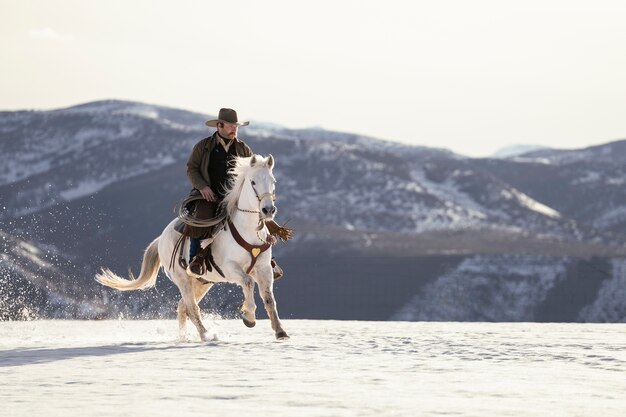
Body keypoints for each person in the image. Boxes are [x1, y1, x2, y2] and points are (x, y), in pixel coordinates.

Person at [184, 108, 290, 279]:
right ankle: (196, 259)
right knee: (202, 218)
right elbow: (192, 168)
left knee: (255, 219)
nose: (234, 129)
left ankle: (266, 261)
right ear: (219, 125)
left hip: (235, 197)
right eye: (230, 126)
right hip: (208, 195)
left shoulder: (243, 148)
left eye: (236, 126)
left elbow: (252, 174)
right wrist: (203, 187)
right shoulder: (204, 146)